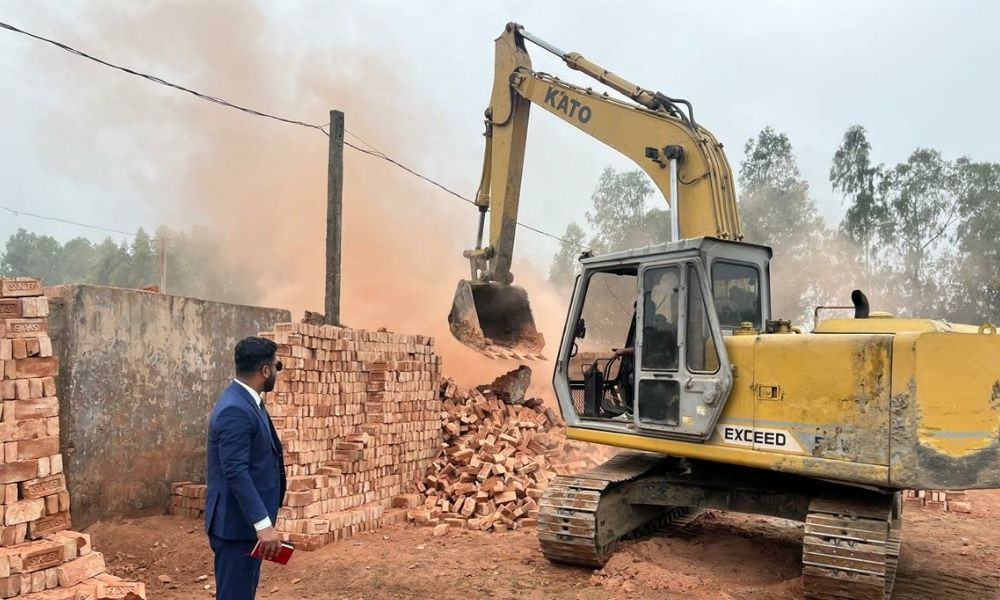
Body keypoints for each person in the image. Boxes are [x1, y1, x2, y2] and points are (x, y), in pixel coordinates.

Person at [205, 336, 286, 600]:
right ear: (265, 370)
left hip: (244, 526)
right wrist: (262, 524)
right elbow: (235, 471)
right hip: (236, 527)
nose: (277, 371)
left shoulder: (248, 401)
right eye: (276, 365)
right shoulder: (235, 409)